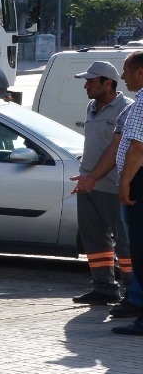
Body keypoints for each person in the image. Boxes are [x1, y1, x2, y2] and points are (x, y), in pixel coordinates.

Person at [70, 61, 130, 305]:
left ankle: (133, 292)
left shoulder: (126, 109)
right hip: (88, 185)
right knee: (94, 238)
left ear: (108, 83)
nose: (86, 86)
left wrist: (93, 177)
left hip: (113, 187)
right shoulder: (92, 106)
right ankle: (104, 287)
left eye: (91, 81)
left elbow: (118, 151)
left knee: (125, 242)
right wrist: (87, 177)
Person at [109, 52, 143, 335]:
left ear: (140, 72)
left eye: (126, 71)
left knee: (140, 250)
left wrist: (125, 183)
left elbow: (138, 147)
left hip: (139, 182)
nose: (122, 77)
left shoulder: (142, 102)